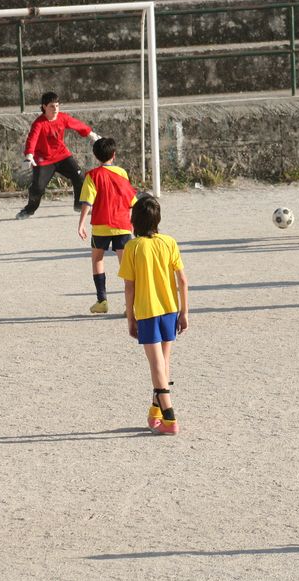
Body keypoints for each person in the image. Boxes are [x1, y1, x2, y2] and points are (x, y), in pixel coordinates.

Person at [119, 196, 189, 436]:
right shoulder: (169, 242)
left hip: (147, 311)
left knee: (156, 363)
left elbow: (129, 286)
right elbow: (182, 281)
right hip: (170, 308)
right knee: (164, 362)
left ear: (134, 220)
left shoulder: (133, 247)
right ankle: (155, 412)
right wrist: (184, 312)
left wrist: (130, 317)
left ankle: (170, 416)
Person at [77, 137, 138, 314]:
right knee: (126, 266)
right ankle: (131, 306)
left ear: (96, 156)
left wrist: (81, 224)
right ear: (114, 155)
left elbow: (87, 202)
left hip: (101, 225)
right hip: (122, 224)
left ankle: (102, 300)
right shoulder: (122, 173)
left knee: (97, 259)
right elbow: (130, 199)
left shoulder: (92, 175)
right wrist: (133, 222)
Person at [16, 92, 99, 219]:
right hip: (44, 160)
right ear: (44, 107)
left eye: (57, 106)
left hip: (62, 155)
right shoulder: (39, 124)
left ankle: (79, 205)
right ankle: (28, 210)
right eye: (52, 106)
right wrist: (29, 155)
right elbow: (32, 139)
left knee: (80, 177)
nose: (55, 109)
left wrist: (91, 134)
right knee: (38, 188)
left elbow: (77, 125)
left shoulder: (62, 117)